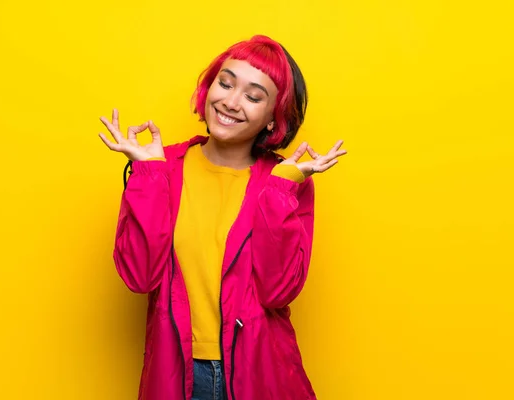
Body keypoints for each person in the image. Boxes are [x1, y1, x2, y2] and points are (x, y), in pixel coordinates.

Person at [98, 35, 347, 400]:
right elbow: (138, 276)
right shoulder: (162, 168)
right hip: (176, 372)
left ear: (272, 118)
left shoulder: (285, 182)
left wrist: (281, 191)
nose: (230, 102)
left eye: (253, 95)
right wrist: (148, 175)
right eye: (225, 83)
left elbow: (278, 291)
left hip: (260, 375)